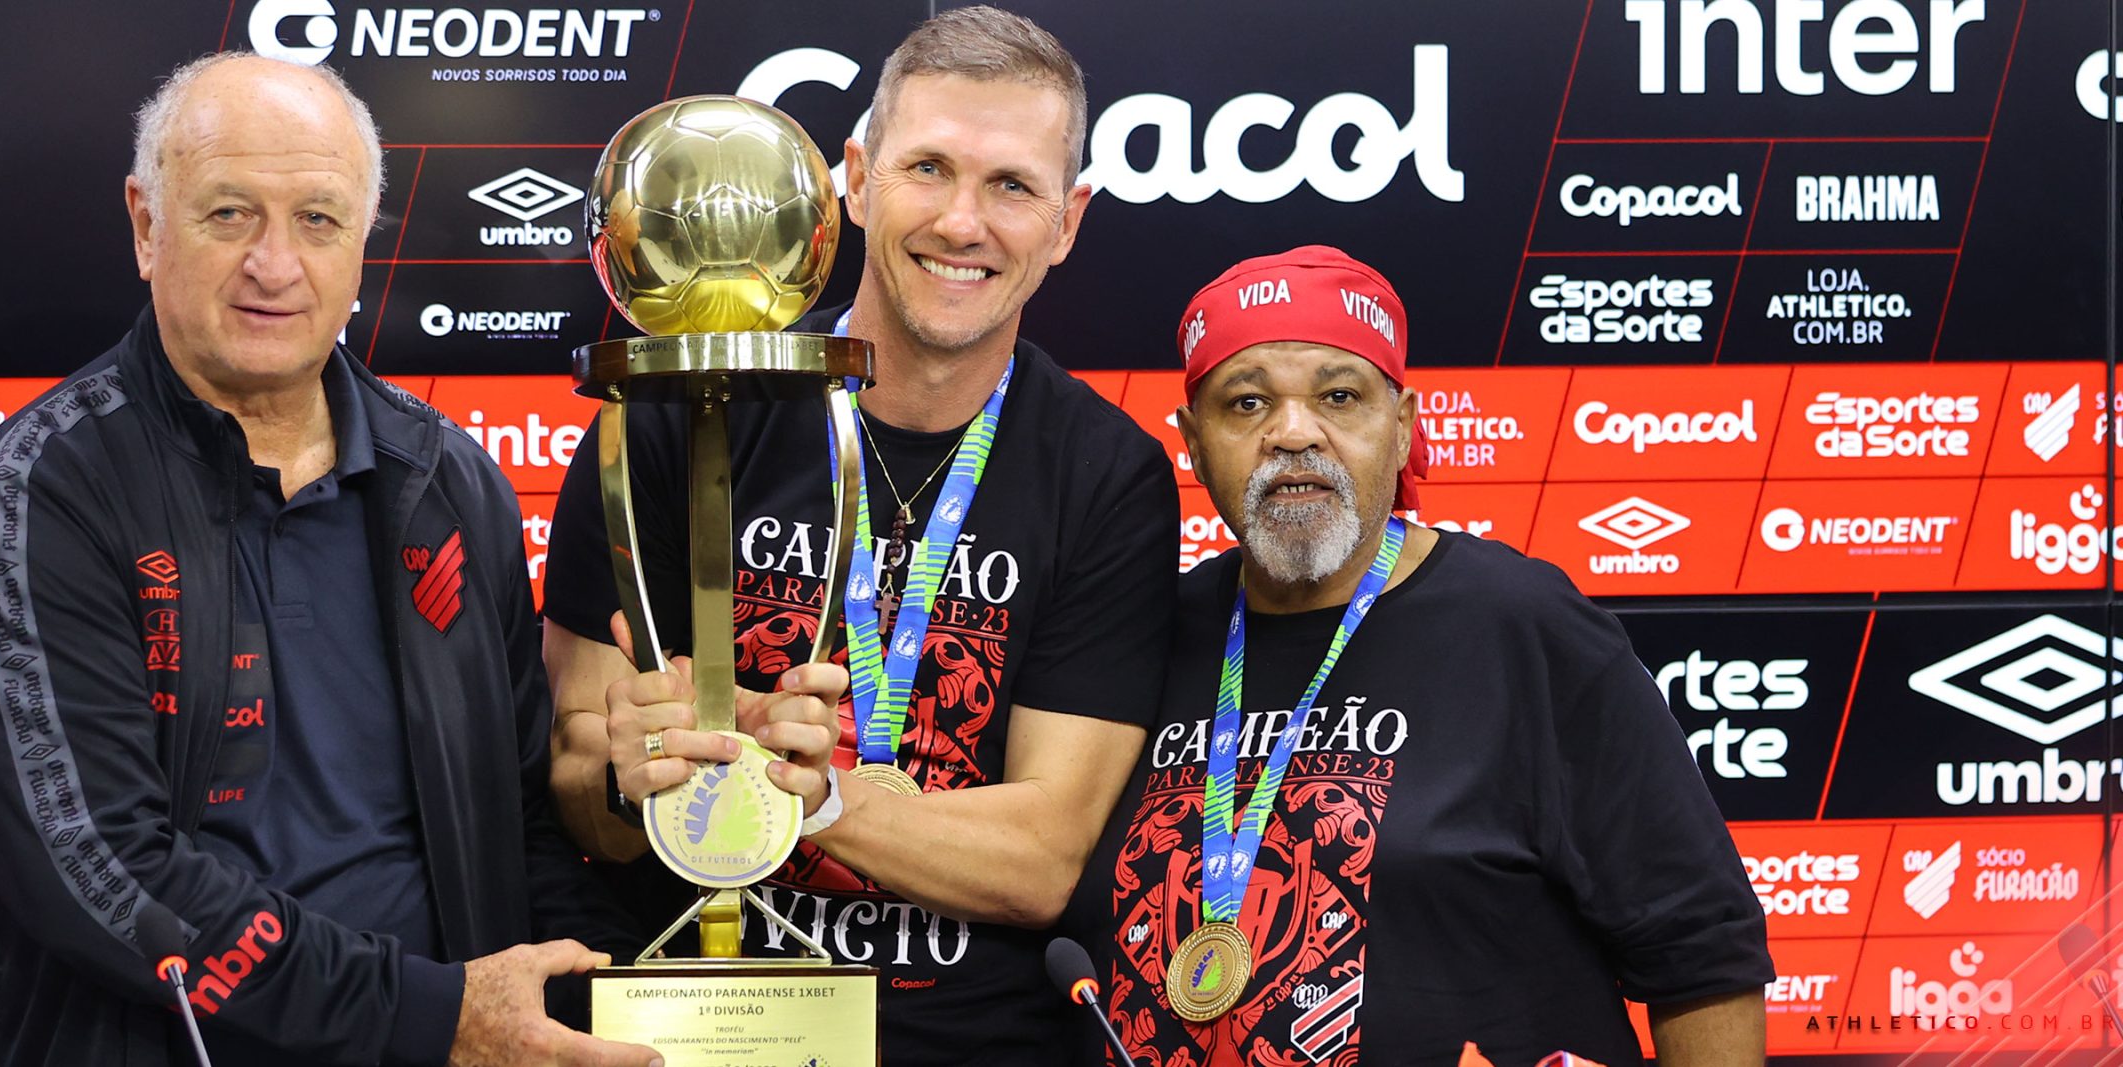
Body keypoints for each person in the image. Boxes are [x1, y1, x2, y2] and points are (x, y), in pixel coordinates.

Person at [0, 52, 670, 1067]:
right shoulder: (46, 488)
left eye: (317, 219)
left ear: (362, 243)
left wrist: (626, 1005)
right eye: (230, 214)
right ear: (146, 225)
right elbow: (103, 872)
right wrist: (434, 1014)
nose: (276, 264)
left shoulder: (448, 481)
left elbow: (517, 826)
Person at [539, 7, 1178, 1067]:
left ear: (1067, 221)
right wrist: (627, 765)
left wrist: (809, 789)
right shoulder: (675, 407)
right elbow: (574, 781)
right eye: (928, 167)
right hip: (684, 1025)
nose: (963, 222)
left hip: (961, 1038)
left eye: (1012, 186)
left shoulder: (1107, 474)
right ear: (857, 176)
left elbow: (1040, 857)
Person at [1066, 246, 1771, 1065]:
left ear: (1401, 428)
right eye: (1247, 401)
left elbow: (1701, 948)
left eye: (1339, 395)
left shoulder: (1524, 626)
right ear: (1192, 441)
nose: (1293, 432)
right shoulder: (1142, 632)